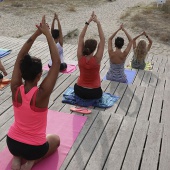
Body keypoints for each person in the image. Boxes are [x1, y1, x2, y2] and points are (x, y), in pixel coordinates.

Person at [7, 16, 60, 170]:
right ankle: (31, 162)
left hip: (12, 144)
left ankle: (17, 159)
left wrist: (36, 34)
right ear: (39, 76)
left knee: (21, 144)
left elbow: (20, 57)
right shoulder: (41, 94)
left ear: (22, 73)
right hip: (34, 149)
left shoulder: (15, 87)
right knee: (55, 139)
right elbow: (56, 63)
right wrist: (47, 34)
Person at [74, 12, 105, 100]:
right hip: (94, 92)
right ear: (95, 49)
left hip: (79, 91)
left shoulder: (80, 57)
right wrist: (97, 23)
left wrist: (88, 22)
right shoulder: (97, 59)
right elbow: (102, 39)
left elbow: (81, 37)